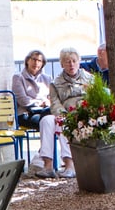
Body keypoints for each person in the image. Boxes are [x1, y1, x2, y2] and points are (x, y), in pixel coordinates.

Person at [28, 47, 92, 178]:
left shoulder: (89, 79)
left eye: (74, 61)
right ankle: (48, 165)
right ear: (62, 64)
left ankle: (70, 165)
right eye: (67, 62)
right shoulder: (55, 83)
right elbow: (55, 103)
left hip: (82, 114)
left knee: (63, 123)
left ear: (79, 61)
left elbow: (93, 99)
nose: (71, 64)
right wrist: (62, 113)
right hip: (64, 112)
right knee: (46, 120)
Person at [11, 50, 51, 128]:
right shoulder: (18, 78)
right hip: (26, 114)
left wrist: (47, 102)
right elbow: (23, 101)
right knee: (46, 122)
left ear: (42, 64)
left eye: (39, 61)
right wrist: (40, 103)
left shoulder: (47, 78)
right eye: (34, 59)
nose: (36, 63)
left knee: (54, 121)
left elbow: (51, 98)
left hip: (44, 112)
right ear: (27, 61)